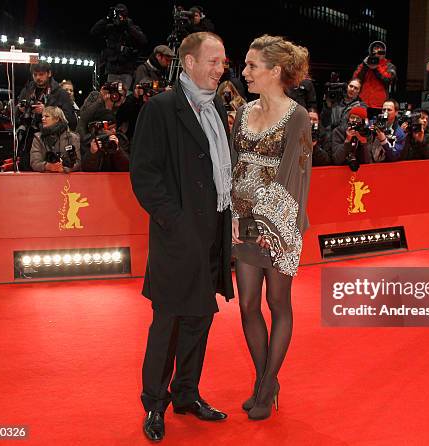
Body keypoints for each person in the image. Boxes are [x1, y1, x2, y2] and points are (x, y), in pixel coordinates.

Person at [130, 31, 234, 442]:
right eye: (213, 61)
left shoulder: (216, 109)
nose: (220, 69)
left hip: (213, 233)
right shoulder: (162, 108)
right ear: (188, 63)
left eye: (223, 62)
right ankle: (154, 404)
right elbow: (144, 176)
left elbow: (217, 174)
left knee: (200, 319)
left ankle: (186, 394)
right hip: (178, 237)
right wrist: (176, 222)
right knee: (168, 323)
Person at [231, 34, 312, 421]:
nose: (244, 72)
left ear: (275, 70)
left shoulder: (297, 117)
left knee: (278, 304)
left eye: (252, 66)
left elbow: (297, 177)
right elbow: (231, 167)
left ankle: (264, 386)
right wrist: (233, 216)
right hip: (242, 223)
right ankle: (268, 381)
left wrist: (272, 224)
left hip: (280, 222)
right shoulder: (242, 113)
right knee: (247, 304)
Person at [90, 3, 148, 90]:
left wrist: (128, 26)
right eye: (117, 15)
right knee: (112, 96)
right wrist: (107, 18)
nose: (119, 18)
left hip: (127, 70)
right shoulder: (111, 28)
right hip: (112, 70)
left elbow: (143, 40)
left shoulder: (131, 28)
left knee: (123, 95)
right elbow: (93, 32)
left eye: (121, 15)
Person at [30, 106, 81, 173]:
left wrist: (64, 169)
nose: (43, 119)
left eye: (47, 116)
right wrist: (49, 166)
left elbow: (78, 162)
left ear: (57, 119)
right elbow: (34, 162)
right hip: (44, 179)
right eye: (42, 116)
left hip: (67, 178)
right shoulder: (38, 137)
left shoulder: (72, 137)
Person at [353, 41, 396, 117]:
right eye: (375, 51)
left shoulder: (389, 66)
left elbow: (388, 81)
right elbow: (356, 80)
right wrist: (365, 65)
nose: (377, 54)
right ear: (370, 53)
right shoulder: (364, 65)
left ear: (384, 53)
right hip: (363, 104)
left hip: (380, 106)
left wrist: (376, 67)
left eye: (380, 52)